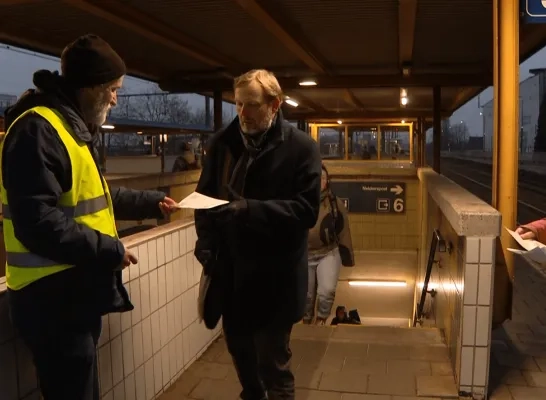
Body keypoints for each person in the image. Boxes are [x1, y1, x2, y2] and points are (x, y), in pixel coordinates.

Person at [0, 34, 179, 400]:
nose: (115, 99)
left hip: (70, 293)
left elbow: (93, 198)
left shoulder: (70, 128)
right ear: (90, 88)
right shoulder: (39, 130)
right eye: (112, 89)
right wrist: (109, 250)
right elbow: (38, 223)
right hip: (50, 301)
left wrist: (150, 202)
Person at [194, 69, 322, 400]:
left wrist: (251, 209)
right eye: (237, 104)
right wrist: (205, 242)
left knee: (273, 367)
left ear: (275, 104)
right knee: (242, 359)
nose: (242, 113)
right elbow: (204, 198)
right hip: (232, 277)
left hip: (275, 280)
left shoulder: (301, 149)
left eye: (251, 105)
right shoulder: (222, 143)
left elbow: (306, 211)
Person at [304, 163, 354, 325]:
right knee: (306, 295)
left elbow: (344, 230)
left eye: (323, 178)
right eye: (317, 179)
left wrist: (347, 257)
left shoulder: (335, 203)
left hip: (328, 253)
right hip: (304, 255)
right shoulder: (299, 201)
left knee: (327, 291)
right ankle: (306, 319)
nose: (321, 182)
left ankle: (321, 319)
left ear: (327, 181)